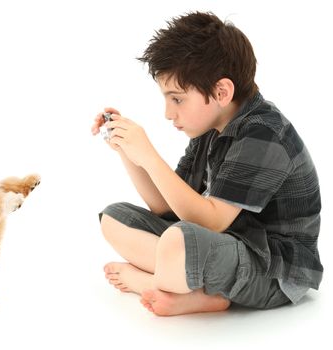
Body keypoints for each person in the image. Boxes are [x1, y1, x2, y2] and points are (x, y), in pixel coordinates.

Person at [91, 11, 322, 316]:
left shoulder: (265, 133)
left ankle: (150, 281)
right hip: (222, 245)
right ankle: (195, 289)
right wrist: (126, 150)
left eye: (177, 99)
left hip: (272, 270)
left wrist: (148, 153)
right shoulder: (209, 129)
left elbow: (210, 221)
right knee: (113, 218)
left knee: (178, 242)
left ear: (221, 92)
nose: (168, 113)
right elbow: (167, 207)